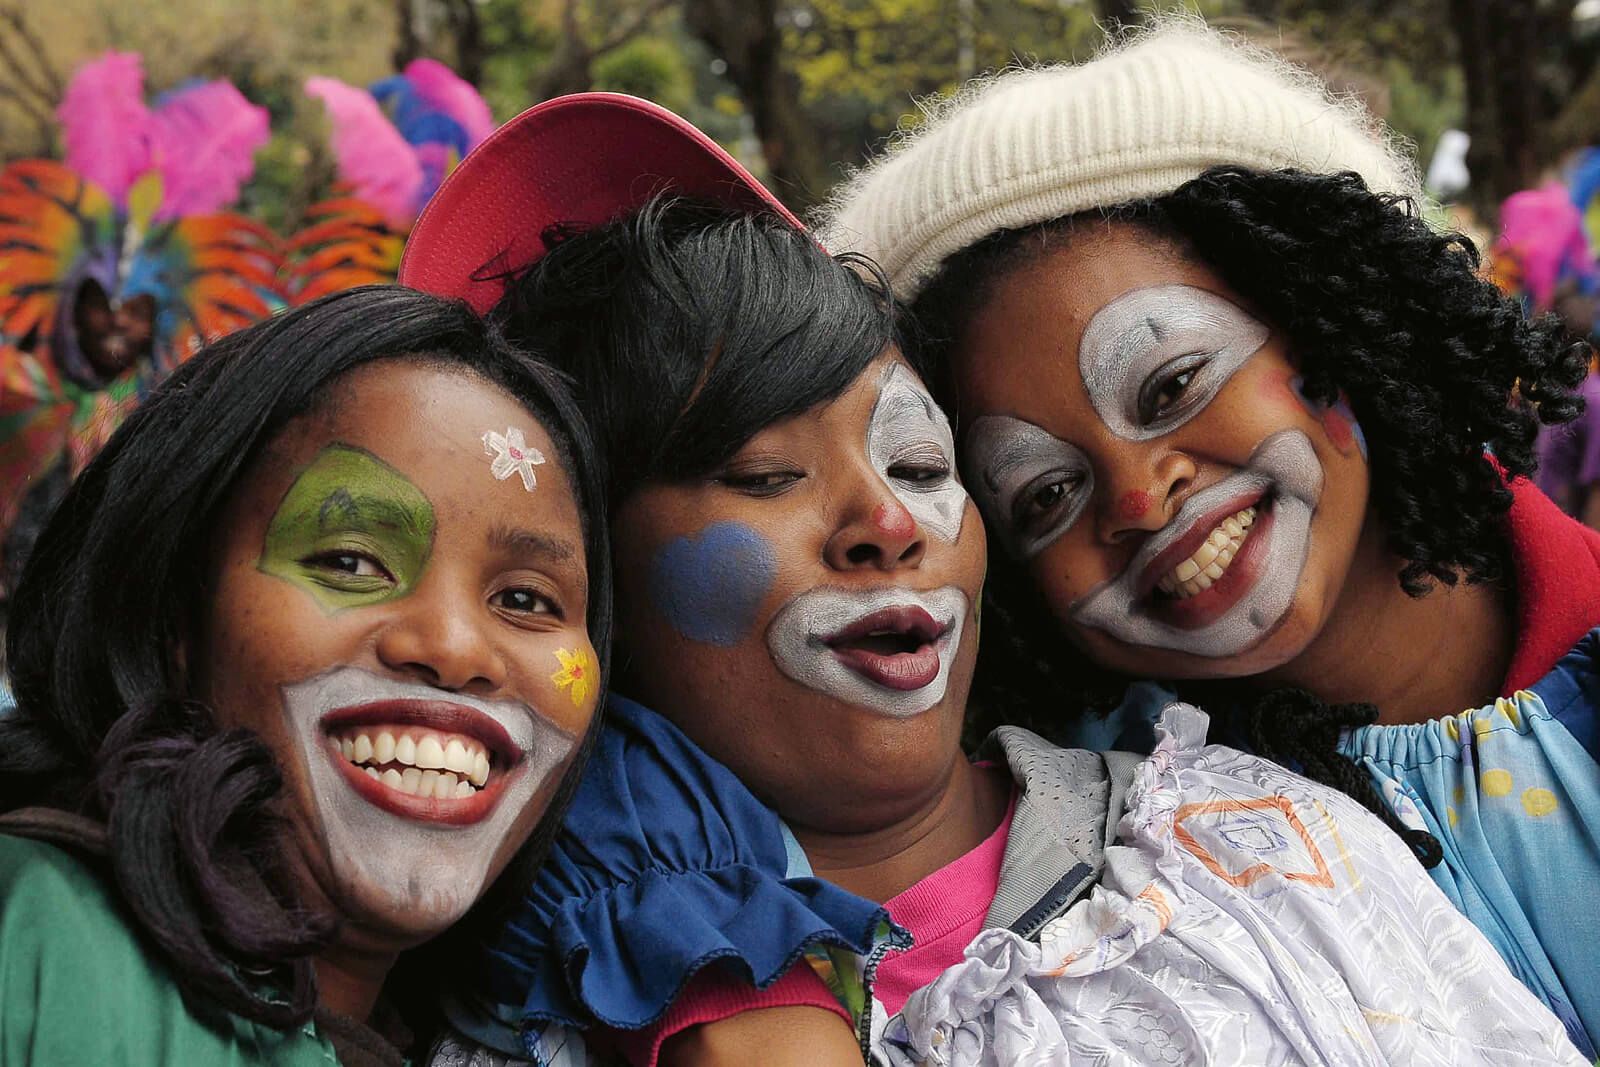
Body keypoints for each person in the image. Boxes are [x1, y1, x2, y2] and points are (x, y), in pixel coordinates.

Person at [397, 94, 1589, 1066]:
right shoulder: (549, 979)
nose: (885, 521)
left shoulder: (1251, 845)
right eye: (764, 476)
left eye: (921, 464)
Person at [820, 16, 1600, 1057]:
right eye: (1044, 494)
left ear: (1336, 320)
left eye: (1173, 385)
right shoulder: (1088, 875)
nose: (1139, 498)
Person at [0, 285, 611, 1065]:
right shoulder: (40, 939)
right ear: (175, 617)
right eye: (349, 560)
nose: (455, 648)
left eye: (525, 600)